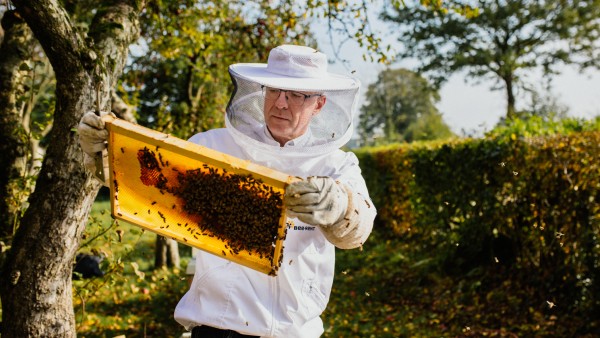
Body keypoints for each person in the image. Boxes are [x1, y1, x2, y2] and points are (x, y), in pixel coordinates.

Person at [78, 44, 376, 338]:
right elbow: (150, 184)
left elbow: (358, 230)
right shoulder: (212, 147)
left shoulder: (337, 165)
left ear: (319, 104)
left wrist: (341, 206)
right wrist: (107, 155)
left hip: (295, 331)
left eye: (296, 95)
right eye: (274, 90)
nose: (281, 103)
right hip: (216, 327)